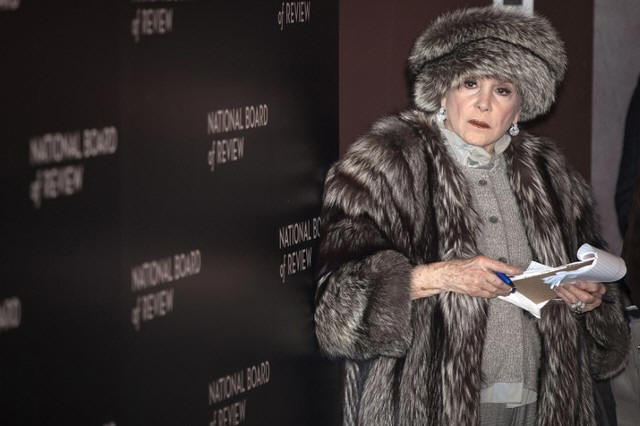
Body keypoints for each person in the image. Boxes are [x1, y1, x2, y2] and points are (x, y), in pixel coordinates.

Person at [314, 7, 629, 425]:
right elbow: (337, 306)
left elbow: (605, 335)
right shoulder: (386, 166)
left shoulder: (552, 176)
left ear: (519, 108)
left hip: (542, 404)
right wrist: (444, 276)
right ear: (443, 91)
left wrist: (587, 300)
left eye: (503, 90)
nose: (483, 102)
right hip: (431, 408)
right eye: (470, 83)